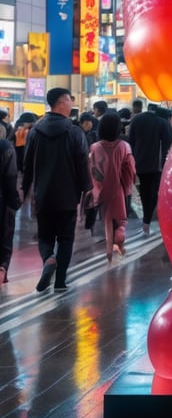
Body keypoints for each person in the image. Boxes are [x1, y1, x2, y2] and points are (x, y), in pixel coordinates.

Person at [22, 88, 92, 293]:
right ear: (61, 102)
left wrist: (25, 189)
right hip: (67, 196)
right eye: (70, 99)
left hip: (43, 194)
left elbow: (27, 165)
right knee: (65, 238)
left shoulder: (35, 131)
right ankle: (60, 281)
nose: (72, 102)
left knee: (45, 236)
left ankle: (48, 259)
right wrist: (86, 189)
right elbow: (82, 165)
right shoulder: (74, 132)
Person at [88, 109, 137, 263]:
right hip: (118, 190)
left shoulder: (94, 147)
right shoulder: (124, 146)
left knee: (107, 219)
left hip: (100, 190)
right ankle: (118, 242)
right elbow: (130, 170)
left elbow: (91, 169)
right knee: (121, 220)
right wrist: (127, 186)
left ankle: (110, 249)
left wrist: (95, 187)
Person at [128, 104, 172, 235]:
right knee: (153, 193)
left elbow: (131, 141)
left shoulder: (136, 120)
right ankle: (147, 220)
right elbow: (168, 143)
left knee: (144, 191)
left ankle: (146, 219)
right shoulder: (163, 122)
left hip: (139, 163)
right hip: (156, 165)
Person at [0, 132, 21, 283]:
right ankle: (2, 269)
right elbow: (10, 177)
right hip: (2, 201)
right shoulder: (6, 147)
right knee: (4, 237)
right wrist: (14, 202)